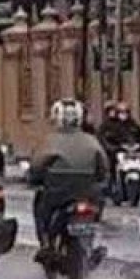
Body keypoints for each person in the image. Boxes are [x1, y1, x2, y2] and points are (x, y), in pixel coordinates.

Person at [28, 98, 109, 262]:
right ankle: (89, 245)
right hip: (88, 193)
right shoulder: (91, 140)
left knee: (40, 205)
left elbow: (37, 166)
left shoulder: (50, 141)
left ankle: (46, 243)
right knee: (96, 208)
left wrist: (34, 179)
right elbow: (103, 167)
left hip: (58, 194)